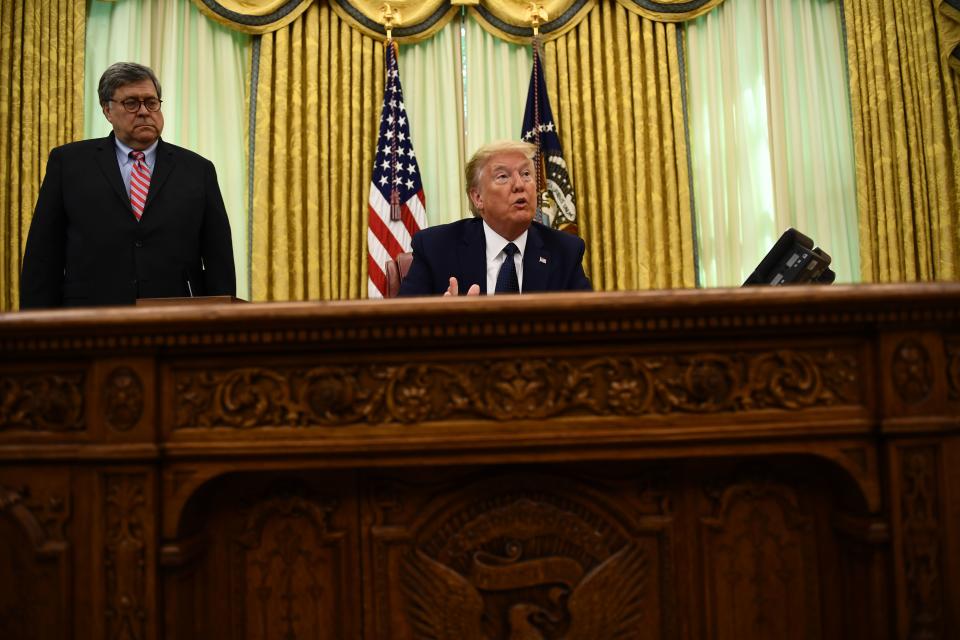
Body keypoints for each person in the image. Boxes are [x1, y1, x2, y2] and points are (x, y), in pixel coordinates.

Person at [19, 62, 235, 308]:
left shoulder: (198, 170)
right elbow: (43, 255)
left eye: (151, 102)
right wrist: (36, 329)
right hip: (89, 317)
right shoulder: (69, 164)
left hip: (176, 318)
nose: (144, 111)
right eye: (131, 103)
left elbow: (219, 260)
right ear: (107, 110)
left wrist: (221, 325)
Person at [397, 140, 591, 296]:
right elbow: (400, 328)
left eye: (526, 174)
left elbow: (589, 329)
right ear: (478, 197)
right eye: (503, 176)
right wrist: (445, 324)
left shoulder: (565, 251)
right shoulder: (435, 248)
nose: (519, 185)